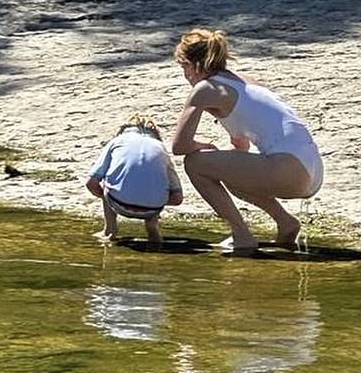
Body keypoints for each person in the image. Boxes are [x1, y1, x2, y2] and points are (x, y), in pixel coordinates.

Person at [172, 28, 323, 249]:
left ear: (194, 66)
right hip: (312, 170)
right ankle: (285, 222)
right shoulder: (243, 81)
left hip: (289, 169)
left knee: (195, 163)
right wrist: (225, 163)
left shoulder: (206, 89)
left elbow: (179, 146)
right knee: (228, 170)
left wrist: (206, 147)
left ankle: (242, 235)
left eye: (184, 67)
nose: (185, 75)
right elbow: (241, 144)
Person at [86, 113, 183, 243]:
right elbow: (177, 198)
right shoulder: (161, 148)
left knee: (107, 183)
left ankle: (110, 230)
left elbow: (91, 183)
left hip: (118, 203)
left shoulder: (117, 142)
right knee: (154, 186)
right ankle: (152, 226)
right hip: (152, 209)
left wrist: (105, 195)